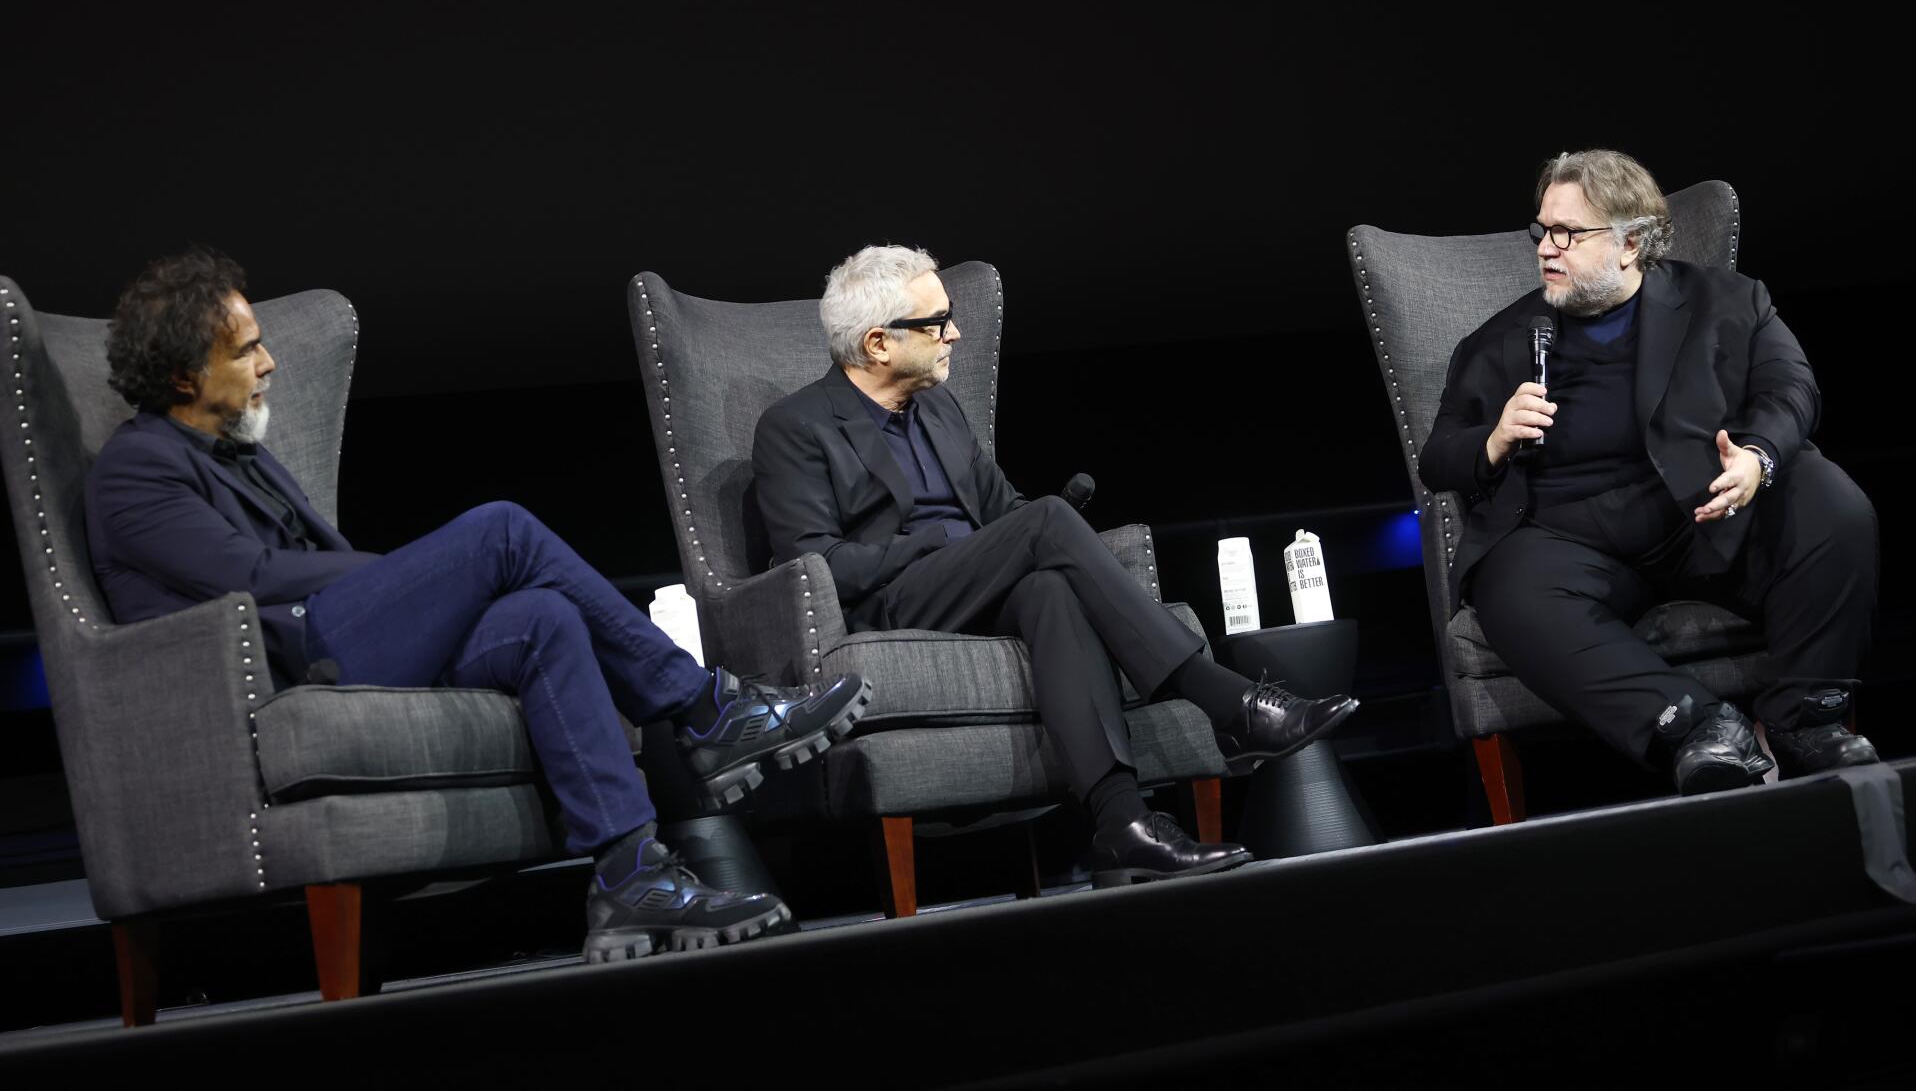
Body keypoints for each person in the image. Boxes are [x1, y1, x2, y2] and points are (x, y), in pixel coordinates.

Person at [85, 248, 872, 959]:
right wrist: (414, 575)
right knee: (499, 532)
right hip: (289, 659)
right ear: (185, 375)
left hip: (332, 634)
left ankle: (631, 877)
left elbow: (312, 562)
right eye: (246, 348)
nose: (269, 361)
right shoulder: (135, 471)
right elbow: (254, 575)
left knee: (544, 618)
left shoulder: (237, 450)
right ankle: (705, 709)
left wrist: (413, 584)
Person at [752, 244, 1358, 887]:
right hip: (894, 600)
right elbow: (813, 564)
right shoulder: (796, 427)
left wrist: (1036, 540)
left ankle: (1123, 824)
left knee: (1051, 590)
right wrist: (932, 546)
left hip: (983, 590)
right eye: (936, 323)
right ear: (878, 343)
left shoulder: (940, 408)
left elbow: (1004, 510)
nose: (953, 332)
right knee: (1043, 522)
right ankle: (1228, 704)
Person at [1419, 150, 1880, 793]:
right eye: (1541, 230)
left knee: (1831, 501)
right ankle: (1697, 730)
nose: (1546, 249)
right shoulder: (1498, 342)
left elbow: (1790, 390)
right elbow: (1437, 457)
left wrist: (1757, 457)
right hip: (1569, 537)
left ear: (1632, 242)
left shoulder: (1727, 302)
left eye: (1568, 234)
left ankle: (1807, 718)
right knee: (1508, 590)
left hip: (1705, 512)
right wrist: (1493, 440)